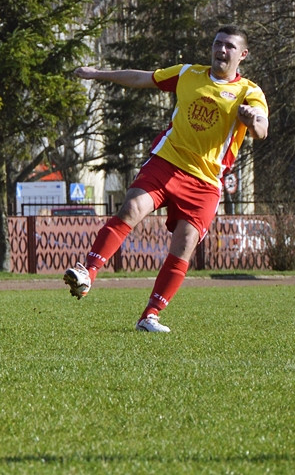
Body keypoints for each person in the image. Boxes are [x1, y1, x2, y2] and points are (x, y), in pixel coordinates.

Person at [64, 26, 268, 332]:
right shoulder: (188, 74)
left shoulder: (249, 92)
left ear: (242, 54)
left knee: (184, 244)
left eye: (228, 46)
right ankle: (87, 273)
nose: (221, 51)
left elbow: (262, 128)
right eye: (217, 44)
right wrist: (97, 74)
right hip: (167, 162)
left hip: (206, 181)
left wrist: (252, 121)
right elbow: (141, 77)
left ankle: (150, 315)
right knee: (131, 209)